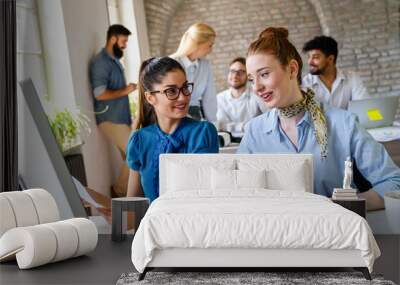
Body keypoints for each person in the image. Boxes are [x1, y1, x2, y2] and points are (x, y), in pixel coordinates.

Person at [238, 27, 400, 210]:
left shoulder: (343, 124)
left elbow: (394, 182)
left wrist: (338, 206)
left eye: (264, 74)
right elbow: (237, 193)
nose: (256, 87)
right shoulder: (254, 131)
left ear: (292, 69)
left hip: (336, 233)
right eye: (251, 79)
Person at [126, 57, 219, 202]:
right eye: (171, 91)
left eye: (185, 88)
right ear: (150, 98)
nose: (183, 97)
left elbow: (204, 197)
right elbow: (132, 205)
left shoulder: (203, 132)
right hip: (154, 223)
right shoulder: (139, 140)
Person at [89, 24, 136, 197]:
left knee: (130, 159)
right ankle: (118, 192)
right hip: (110, 119)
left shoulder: (114, 61)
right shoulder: (101, 62)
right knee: (135, 151)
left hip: (121, 118)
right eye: (123, 41)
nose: (125, 45)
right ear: (113, 38)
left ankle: (130, 200)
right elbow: (99, 93)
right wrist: (126, 90)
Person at [302, 35, 369, 110]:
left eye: (315, 57)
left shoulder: (352, 78)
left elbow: (363, 107)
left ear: (330, 59)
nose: (309, 62)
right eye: (309, 57)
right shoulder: (305, 84)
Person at [170, 23, 217, 122]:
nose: (211, 50)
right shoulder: (171, 63)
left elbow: (209, 98)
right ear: (198, 44)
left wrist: (213, 124)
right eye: (210, 45)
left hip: (195, 116)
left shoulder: (205, 66)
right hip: (173, 116)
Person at [217, 57, 268, 139]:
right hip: (228, 143)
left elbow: (269, 118)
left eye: (240, 72)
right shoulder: (219, 98)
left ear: (248, 76)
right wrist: (244, 126)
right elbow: (221, 125)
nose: (235, 75)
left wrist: (232, 126)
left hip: (256, 140)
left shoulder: (257, 95)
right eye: (232, 71)